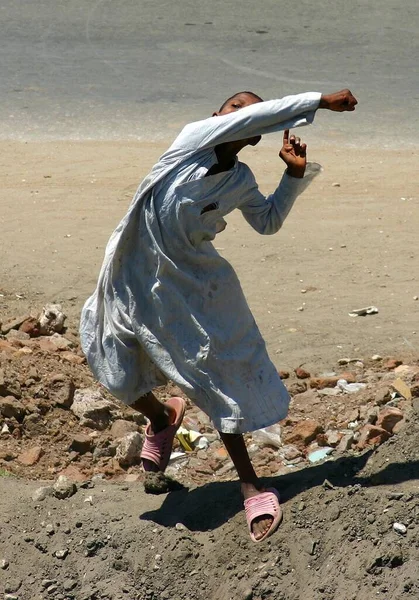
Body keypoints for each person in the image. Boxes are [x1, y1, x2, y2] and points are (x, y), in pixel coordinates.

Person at [80, 88, 357, 542]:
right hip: (130, 273)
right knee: (112, 367)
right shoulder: (189, 141)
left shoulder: (240, 180)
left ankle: (250, 484)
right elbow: (259, 115)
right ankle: (164, 418)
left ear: (255, 137)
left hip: (193, 284)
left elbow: (266, 221)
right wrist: (320, 100)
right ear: (217, 118)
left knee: (212, 379)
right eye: (235, 109)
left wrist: (293, 176)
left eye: (252, 114)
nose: (242, 116)